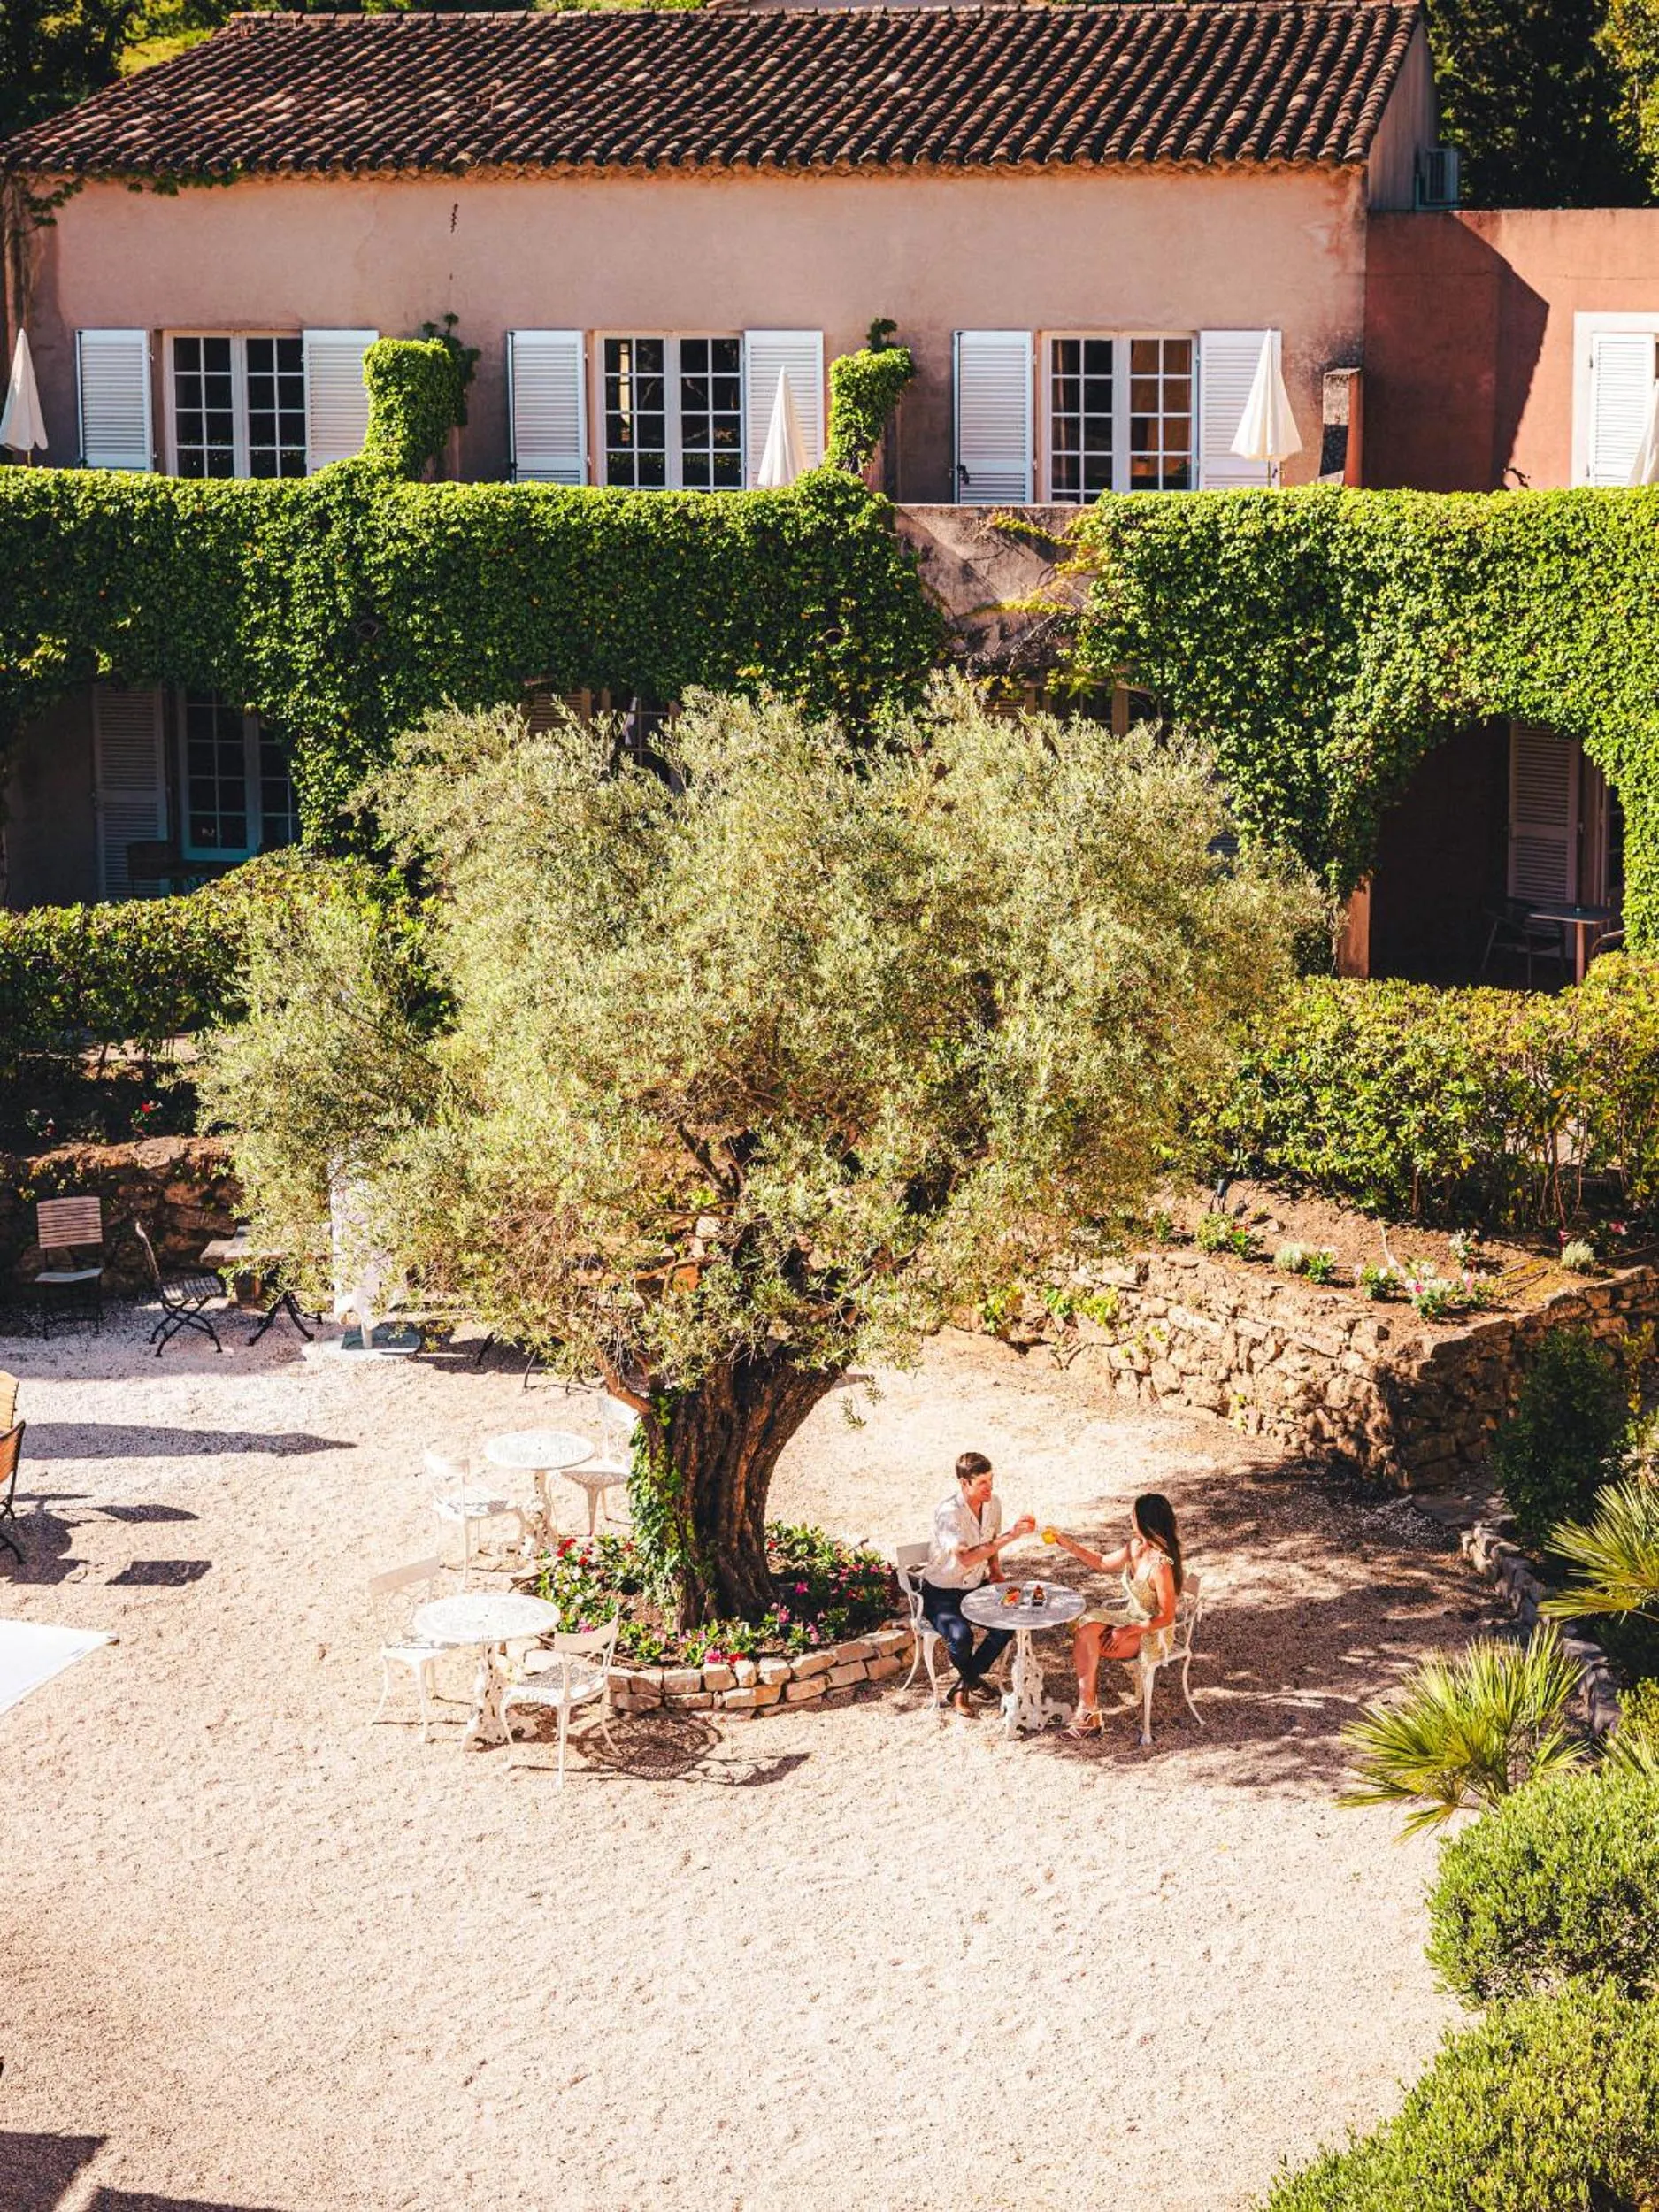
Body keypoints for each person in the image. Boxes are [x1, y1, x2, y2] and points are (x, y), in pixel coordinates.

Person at [1047, 1494, 1184, 1737]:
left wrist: (1127, 1631)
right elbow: (1101, 1562)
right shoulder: (1134, 1547)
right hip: (1130, 1616)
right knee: (1085, 1630)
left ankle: (1088, 1715)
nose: (1129, 1517)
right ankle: (1088, 1709)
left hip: (1152, 1632)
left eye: (1132, 1514)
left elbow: (1166, 1617)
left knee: (1088, 1644)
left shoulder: (1161, 1565)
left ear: (1144, 1520)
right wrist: (1065, 1543)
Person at [920, 1450, 1036, 1714]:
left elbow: (990, 1541)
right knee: (961, 1637)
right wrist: (1011, 1536)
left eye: (991, 1479)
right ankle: (969, 1682)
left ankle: (963, 1685)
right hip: (941, 1592)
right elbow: (966, 1558)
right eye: (982, 1482)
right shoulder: (948, 1513)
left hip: (975, 1586)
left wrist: (995, 1570)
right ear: (964, 1483)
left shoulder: (993, 1503)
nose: (990, 1487)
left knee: (1008, 1624)